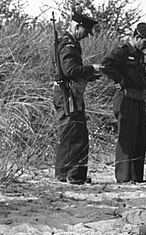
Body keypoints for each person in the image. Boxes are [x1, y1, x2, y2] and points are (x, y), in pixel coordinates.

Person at [101, 22, 146, 183]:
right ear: (137, 37)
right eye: (145, 42)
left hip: (138, 100)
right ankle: (123, 177)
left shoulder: (139, 55)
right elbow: (106, 65)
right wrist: (120, 80)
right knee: (126, 138)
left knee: (140, 139)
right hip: (126, 100)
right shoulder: (122, 52)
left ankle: (136, 177)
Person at [53, 11, 102, 185]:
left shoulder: (69, 43)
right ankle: (73, 175)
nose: (86, 36)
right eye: (85, 31)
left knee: (71, 132)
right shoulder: (68, 45)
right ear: (76, 26)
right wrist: (91, 68)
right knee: (75, 134)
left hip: (69, 93)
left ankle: (66, 173)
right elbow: (70, 71)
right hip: (68, 94)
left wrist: (91, 74)